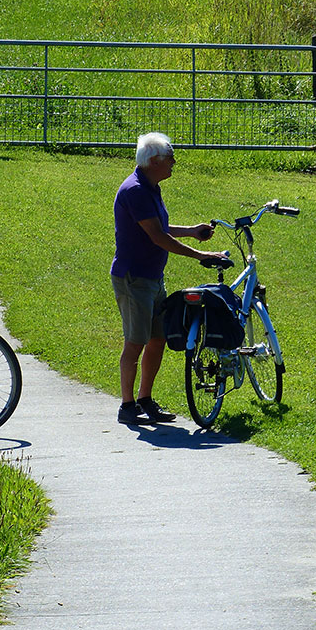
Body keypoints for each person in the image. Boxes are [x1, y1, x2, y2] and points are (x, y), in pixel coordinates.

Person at [111, 132, 225, 426]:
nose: (174, 162)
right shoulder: (136, 190)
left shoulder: (150, 187)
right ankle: (127, 406)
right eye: (169, 157)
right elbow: (157, 237)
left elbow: (159, 226)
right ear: (153, 161)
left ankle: (145, 400)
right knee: (135, 343)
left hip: (152, 278)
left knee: (157, 338)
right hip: (134, 279)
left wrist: (191, 231)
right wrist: (201, 255)